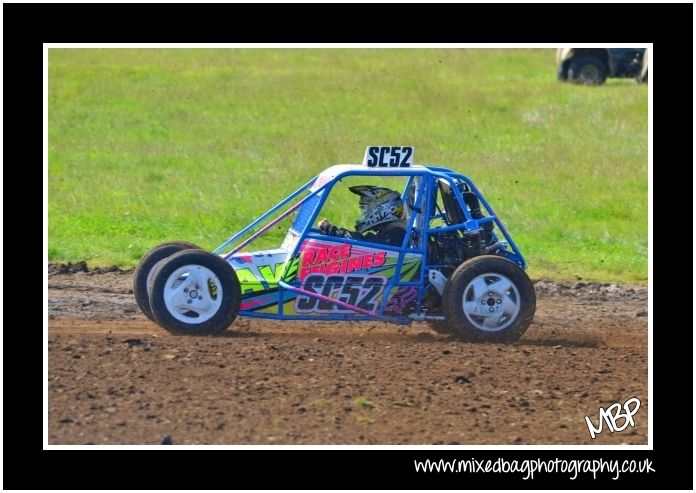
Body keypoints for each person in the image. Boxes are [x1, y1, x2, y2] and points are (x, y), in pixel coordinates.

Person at [317, 185, 407, 247]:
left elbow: (363, 243)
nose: (364, 213)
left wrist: (333, 231)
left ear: (384, 208)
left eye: (366, 209)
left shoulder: (397, 234)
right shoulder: (393, 232)